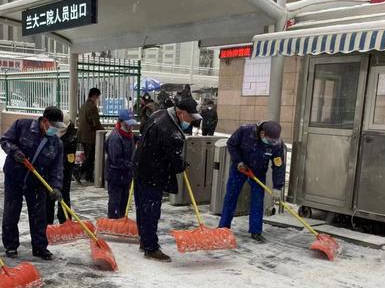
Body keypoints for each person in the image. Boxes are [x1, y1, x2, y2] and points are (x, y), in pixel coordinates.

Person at [133, 97, 202, 262]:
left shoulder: (159, 114)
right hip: (152, 173)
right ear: (180, 112)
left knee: (143, 209)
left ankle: (145, 240)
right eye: (190, 116)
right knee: (151, 210)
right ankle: (151, 248)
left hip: (141, 168)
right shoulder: (170, 131)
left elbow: (144, 131)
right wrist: (182, 165)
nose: (191, 120)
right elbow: (173, 158)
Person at [1, 106, 65, 260]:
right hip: (14, 177)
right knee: (11, 211)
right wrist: (14, 151)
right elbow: (5, 140)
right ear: (44, 121)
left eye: (58, 127)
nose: (55, 130)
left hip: (36, 181)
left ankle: (40, 247)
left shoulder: (56, 143)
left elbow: (57, 168)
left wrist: (56, 187)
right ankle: (11, 246)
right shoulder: (22, 126)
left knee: (39, 215)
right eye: (54, 126)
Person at [219, 121, 286, 242]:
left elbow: (278, 165)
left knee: (257, 200)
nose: (271, 144)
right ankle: (223, 228)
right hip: (240, 168)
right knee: (231, 196)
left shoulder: (277, 145)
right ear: (262, 133)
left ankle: (256, 231)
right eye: (269, 140)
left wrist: (278, 186)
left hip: (258, 172)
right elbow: (231, 144)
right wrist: (238, 161)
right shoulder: (245, 131)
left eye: (274, 141)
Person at [105, 109, 138, 219]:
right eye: (128, 124)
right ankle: (112, 222)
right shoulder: (115, 137)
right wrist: (131, 165)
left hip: (126, 175)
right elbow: (116, 160)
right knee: (115, 201)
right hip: (115, 174)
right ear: (122, 122)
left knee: (124, 201)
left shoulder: (130, 135)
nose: (131, 127)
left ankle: (121, 220)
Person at [46, 111, 77, 225]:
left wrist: (61, 173)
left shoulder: (71, 137)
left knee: (64, 195)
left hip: (65, 169)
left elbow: (70, 158)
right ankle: (47, 224)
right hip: (49, 171)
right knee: (49, 198)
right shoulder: (50, 131)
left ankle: (65, 221)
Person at [76, 87, 102, 182]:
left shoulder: (83, 106)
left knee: (88, 156)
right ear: (94, 96)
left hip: (82, 135)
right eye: (98, 97)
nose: (98, 99)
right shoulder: (92, 107)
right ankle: (78, 171)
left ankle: (88, 176)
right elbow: (96, 123)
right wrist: (103, 131)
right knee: (90, 158)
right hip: (90, 136)